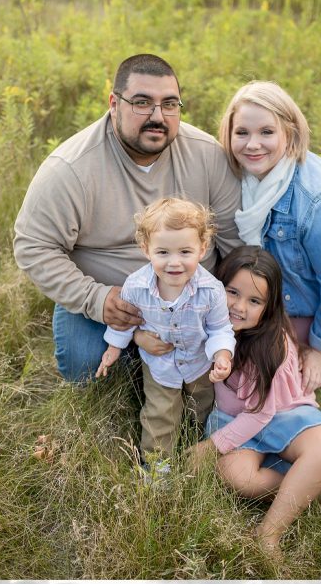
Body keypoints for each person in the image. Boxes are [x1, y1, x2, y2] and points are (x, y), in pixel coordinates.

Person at [14, 53, 241, 382]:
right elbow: (33, 246)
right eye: (142, 102)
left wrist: (235, 309)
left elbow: (235, 241)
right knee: (85, 369)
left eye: (170, 104)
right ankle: (135, 357)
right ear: (114, 104)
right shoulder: (71, 169)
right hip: (111, 299)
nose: (157, 116)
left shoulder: (207, 155)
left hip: (195, 297)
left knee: (242, 355)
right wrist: (96, 299)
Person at [219, 81, 321, 392]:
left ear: (289, 133)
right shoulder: (238, 179)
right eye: (242, 133)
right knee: (231, 360)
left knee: (279, 384)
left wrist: (320, 351)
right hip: (281, 297)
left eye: (266, 132)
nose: (252, 144)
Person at [190, 247, 321, 557]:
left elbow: (262, 413)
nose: (239, 306)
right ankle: (307, 482)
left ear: (268, 308)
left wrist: (212, 445)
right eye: (232, 292)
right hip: (234, 419)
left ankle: (268, 534)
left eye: (254, 301)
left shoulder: (274, 346)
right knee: (238, 478)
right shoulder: (205, 321)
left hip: (282, 414)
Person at [96, 197, 234, 467]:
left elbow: (219, 328)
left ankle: (198, 448)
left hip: (199, 363)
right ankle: (157, 469)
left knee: (203, 405)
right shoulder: (135, 287)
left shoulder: (211, 289)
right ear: (146, 249)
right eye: (163, 253)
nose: (174, 263)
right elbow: (126, 322)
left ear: (203, 248)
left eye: (185, 252)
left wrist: (222, 355)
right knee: (160, 414)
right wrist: (113, 348)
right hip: (160, 367)